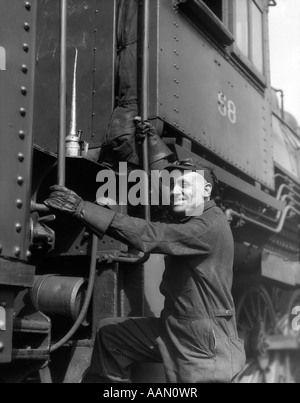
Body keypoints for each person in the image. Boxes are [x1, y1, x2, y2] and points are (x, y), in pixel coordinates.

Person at [44, 124, 246, 384]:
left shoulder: (207, 226)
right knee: (110, 334)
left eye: (184, 185)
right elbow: (167, 176)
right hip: (174, 327)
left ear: (206, 190)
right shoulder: (199, 214)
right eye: (173, 186)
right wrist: (152, 142)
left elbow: (151, 235)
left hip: (202, 341)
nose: (175, 192)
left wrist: (82, 208)